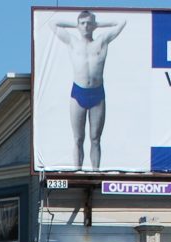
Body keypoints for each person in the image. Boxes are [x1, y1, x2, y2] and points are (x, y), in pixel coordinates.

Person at [52, 9, 125, 170]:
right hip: (78, 93)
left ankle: (95, 171)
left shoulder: (101, 41)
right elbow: (53, 23)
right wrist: (76, 24)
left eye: (89, 24)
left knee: (95, 138)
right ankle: (78, 170)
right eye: (83, 24)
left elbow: (122, 23)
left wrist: (96, 24)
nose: (86, 27)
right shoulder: (73, 42)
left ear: (94, 25)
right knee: (78, 138)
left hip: (97, 93)